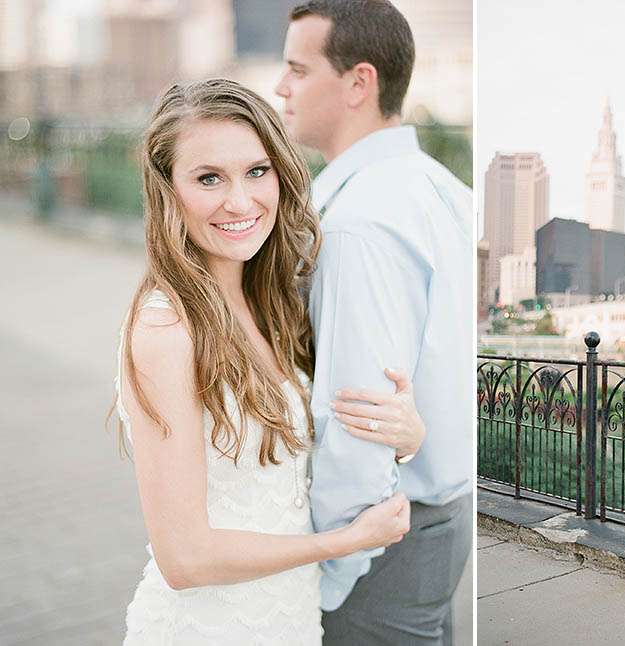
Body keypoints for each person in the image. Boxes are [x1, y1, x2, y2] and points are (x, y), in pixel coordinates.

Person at [115, 78, 427, 644]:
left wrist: (406, 434)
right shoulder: (166, 328)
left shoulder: (273, 298)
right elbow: (184, 558)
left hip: (289, 620)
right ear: (168, 191)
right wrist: (345, 541)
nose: (240, 201)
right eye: (209, 178)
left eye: (257, 171)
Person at [275, 1, 474, 643]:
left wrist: (329, 574)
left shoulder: (357, 223)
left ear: (359, 82)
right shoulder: (439, 188)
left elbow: (357, 421)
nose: (282, 87)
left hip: (380, 551)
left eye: (298, 70)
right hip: (440, 518)